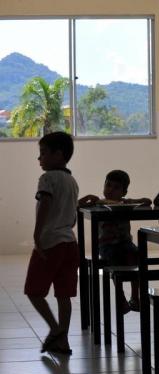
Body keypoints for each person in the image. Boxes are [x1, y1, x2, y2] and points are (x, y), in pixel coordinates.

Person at [24, 131, 79, 355]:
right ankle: (62, 341)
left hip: (50, 243)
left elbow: (45, 204)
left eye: (43, 153)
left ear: (59, 155)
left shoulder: (47, 179)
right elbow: (73, 215)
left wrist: (37, 235)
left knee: (34, 291)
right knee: (63, 295)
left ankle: (56, 330)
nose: (40, 159)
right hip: (69, 244)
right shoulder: (71, 181)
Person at [78, 170, 151, 313]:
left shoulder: (124, 203)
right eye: (108, 185)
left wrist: (132, 201)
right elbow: (77, 206)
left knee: (137, 255)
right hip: (106, 246)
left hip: (126, 244)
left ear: (124, 192)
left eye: (116, 188)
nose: (110, 190)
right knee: (115, 260)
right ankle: (121, 297)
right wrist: (86, 198)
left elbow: (148, 201)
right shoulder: (97, 204)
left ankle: (135, 296)